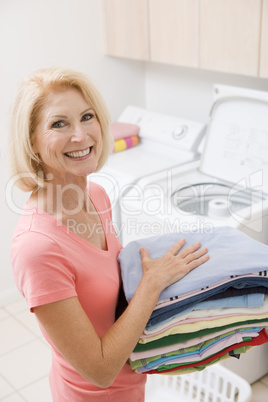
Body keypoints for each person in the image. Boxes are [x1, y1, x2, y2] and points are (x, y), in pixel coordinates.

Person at [9, 67, 209, 401]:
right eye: (59, 123)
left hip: (131, 386)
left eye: (87, 117)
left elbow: (103, 290)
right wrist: (151, 284)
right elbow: (100, 370)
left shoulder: (97, 195)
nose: (80, 135)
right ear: (31, 141)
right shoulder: (37, 248)